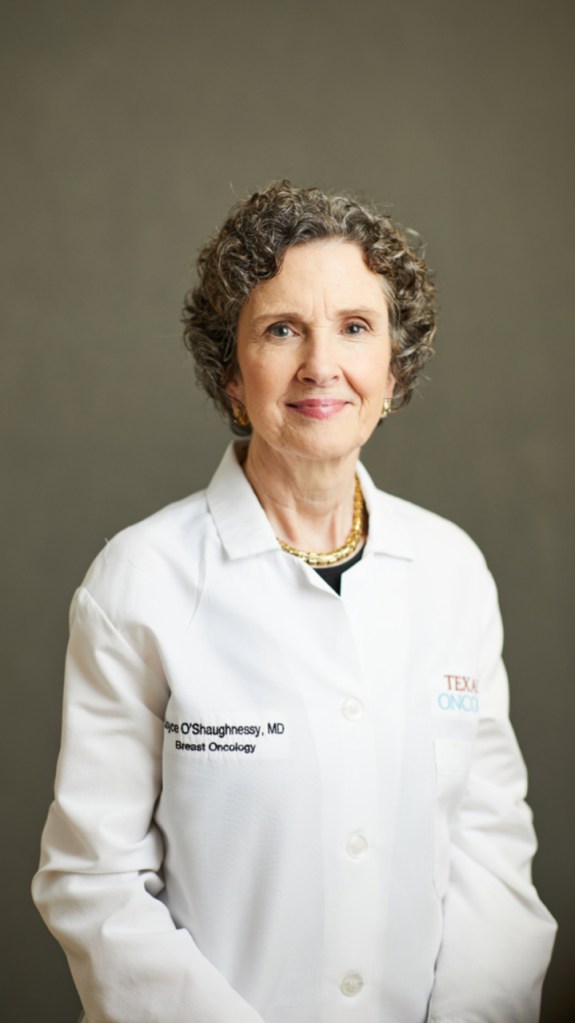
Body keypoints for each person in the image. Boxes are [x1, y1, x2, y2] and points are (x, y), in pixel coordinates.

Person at [32, 181, 556, 1023]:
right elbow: (95, 883)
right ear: (230, 373)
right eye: (282, 329)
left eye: (354, 327)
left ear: (394, 367)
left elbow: (488, 854)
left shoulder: (451, 571)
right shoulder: (140, 581)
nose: (321, 365)